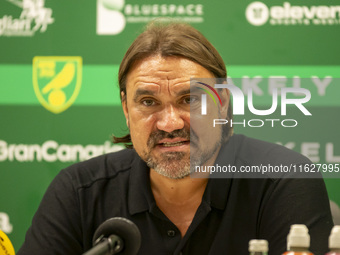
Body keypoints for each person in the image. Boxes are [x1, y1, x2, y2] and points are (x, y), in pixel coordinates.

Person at [18, 22, 333, 255]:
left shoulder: (283, 180)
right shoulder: (79, 191)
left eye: (190, 100)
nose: (169, 124)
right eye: (148, 102)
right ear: (126, 110)